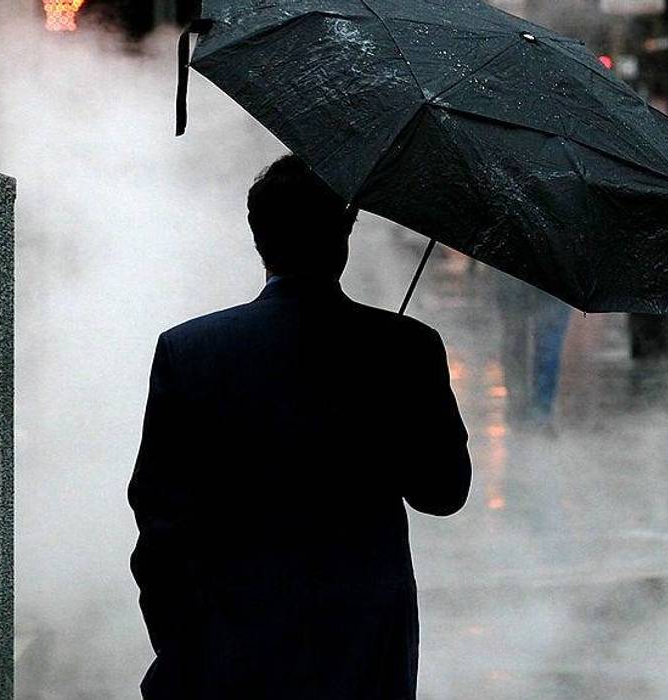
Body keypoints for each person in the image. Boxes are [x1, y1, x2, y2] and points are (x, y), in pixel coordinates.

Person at [128, 154, 473, 699]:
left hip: (232, 647)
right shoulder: (404, 348)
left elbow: (162, 522)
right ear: (343, 241)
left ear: (260, 239)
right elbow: (443, 492)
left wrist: (183, 643)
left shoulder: (190, 351)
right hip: (364, 651)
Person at [493, 272, 571, 429]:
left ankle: (519, 405)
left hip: (513, 267)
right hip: (557, 270)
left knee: (516, 338)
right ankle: (540, 411)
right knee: (548, 339)